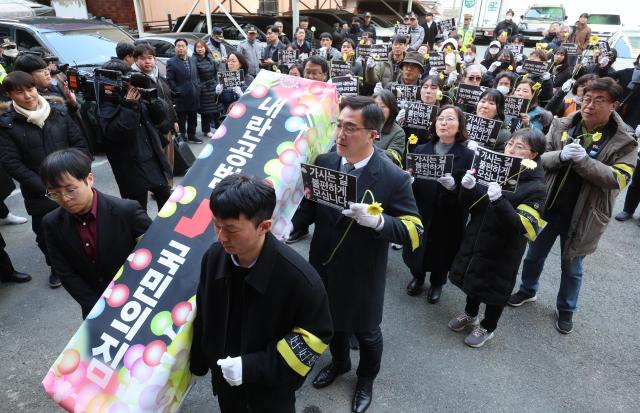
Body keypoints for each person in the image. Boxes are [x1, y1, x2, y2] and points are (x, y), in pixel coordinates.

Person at [291, 96, 422, 413]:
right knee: (331, 323)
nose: (341, 134)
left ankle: (366, 379)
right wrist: (287, 225)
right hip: (322, 263)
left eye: (351, 128)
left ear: (373, 134)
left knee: (366, 331)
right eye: (340, 125)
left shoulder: (393, 177)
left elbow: (414, 229)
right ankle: (339, 364)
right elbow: (309, 207)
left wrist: (379, 221)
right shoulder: (324, 161)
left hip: (363, 271)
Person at [189, 173, 332, 413]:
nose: (221, 237)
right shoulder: (213, 258)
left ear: (264, 226)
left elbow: (314, 338)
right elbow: (205, 311)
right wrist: (201, 360)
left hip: (270, 394)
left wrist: (251, 367)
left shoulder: (300, 280)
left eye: (232, 230)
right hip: (225, 385)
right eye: (217, 225)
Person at [509, 78, 638, 334]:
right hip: (550, 206)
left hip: (586, 214)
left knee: (572, 266)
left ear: (614, 105)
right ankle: (527, 290)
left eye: (599, 100)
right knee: (534, 254)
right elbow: (540, 157)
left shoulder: (625, 140)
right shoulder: (563, 124)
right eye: (587, 98)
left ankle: (566, 309)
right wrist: (561, 155)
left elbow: (618, 178)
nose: (590, 105)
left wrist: (583, 162)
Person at [449, 128, 547, 347]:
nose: (510, 150)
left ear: (533, 155)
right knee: (473, 275)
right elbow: (471, 205)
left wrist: (499, 201)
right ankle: (470, 313)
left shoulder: (536, 188)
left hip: (505, 248)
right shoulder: (495, 169)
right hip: (478, 236)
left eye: (519, 147)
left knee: (495, 287)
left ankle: (488, 326)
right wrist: (468, 188)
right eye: (510, 144)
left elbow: (524, 225)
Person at [0, 71, 89, 288]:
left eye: (30, 89)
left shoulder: (58, 111)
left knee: (83, 226)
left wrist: (75, 176)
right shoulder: (7, 125)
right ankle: (56, 268)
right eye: (19, 92)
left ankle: (87, 260)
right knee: (47, 235)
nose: (28, 96)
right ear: (10, 95)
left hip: (72, 183)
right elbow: (12, 163)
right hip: (40, 192)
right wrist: (47, 187)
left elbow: (79, 143)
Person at [41, 149, 151, 318]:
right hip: (94, 308)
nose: (64, 199)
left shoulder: (127, 211)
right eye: (54, 193)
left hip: (137, 300)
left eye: (70, 189)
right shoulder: (52, 223)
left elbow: (154, 253)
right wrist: (96, 307)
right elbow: (65, 271)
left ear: (89, 179)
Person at [403, 105, 474, 302]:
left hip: (450, 214)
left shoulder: (468, 156)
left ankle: (437, 283)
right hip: (422, 210)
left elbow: (471, 192)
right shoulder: (421, 149)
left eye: (450, 119)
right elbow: (410, 176)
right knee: (418, 248)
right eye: (441, 118)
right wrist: (408, 181)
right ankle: (418, 277)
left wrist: (455, 187)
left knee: (443, 251)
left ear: (460, 126)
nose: (443, 122)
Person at [98, 59, 173, 212]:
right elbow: (118, 131)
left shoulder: (139, 93)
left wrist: (151, 98)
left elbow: (160, 118)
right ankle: (143, 236)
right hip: (130, 165)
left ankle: (167, 233)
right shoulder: (106, 103)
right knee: (137, 209)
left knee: (165, 198)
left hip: (152, 157)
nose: (129, 81)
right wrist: (129, 105)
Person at [131, 43, 180, 179]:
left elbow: (168, 99)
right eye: (142, 58)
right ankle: (163, 189)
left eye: (150, 57)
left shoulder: (158, 75)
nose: (147, 61)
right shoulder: (135, 80)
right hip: (151, 129)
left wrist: (174, 120)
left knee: (168, 158)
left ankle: (168, 185)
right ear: (135, 60)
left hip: (166, 126)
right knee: (158, 161)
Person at [166, 38, 202, 144]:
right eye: (178, 46)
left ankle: (192, 135)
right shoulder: (171, 62)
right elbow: (170, 79)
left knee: (193, 117)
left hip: (194, 93)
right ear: (175, 48)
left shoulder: (192, 60)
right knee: (181, 118)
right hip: (181, 96)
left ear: (186, 47)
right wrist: (178, 90)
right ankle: (182, 135)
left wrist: (197, 86)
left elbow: (196, 76)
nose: (180, 48)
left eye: (182, 46)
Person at [193, 40, 220, 138]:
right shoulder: (194, 60)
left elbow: (215, 72)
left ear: (205, 48)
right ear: (195, 49)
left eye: (202, 47)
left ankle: (218, 128)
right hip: (203, 89)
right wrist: (201, 86)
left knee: (217, 109)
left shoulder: (210, 57)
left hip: (213, 86)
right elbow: (195, 76)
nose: (200, 49)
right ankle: (206, 130)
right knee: (206, 112)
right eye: (198, 47)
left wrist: (217, 83)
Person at [372, 90, 405, 166]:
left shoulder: (398, 132)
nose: (378, 109)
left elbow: (394, 156)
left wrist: (368, 151)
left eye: (382, 106)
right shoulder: (363, 124)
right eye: (375, 105)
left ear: (391, 109)